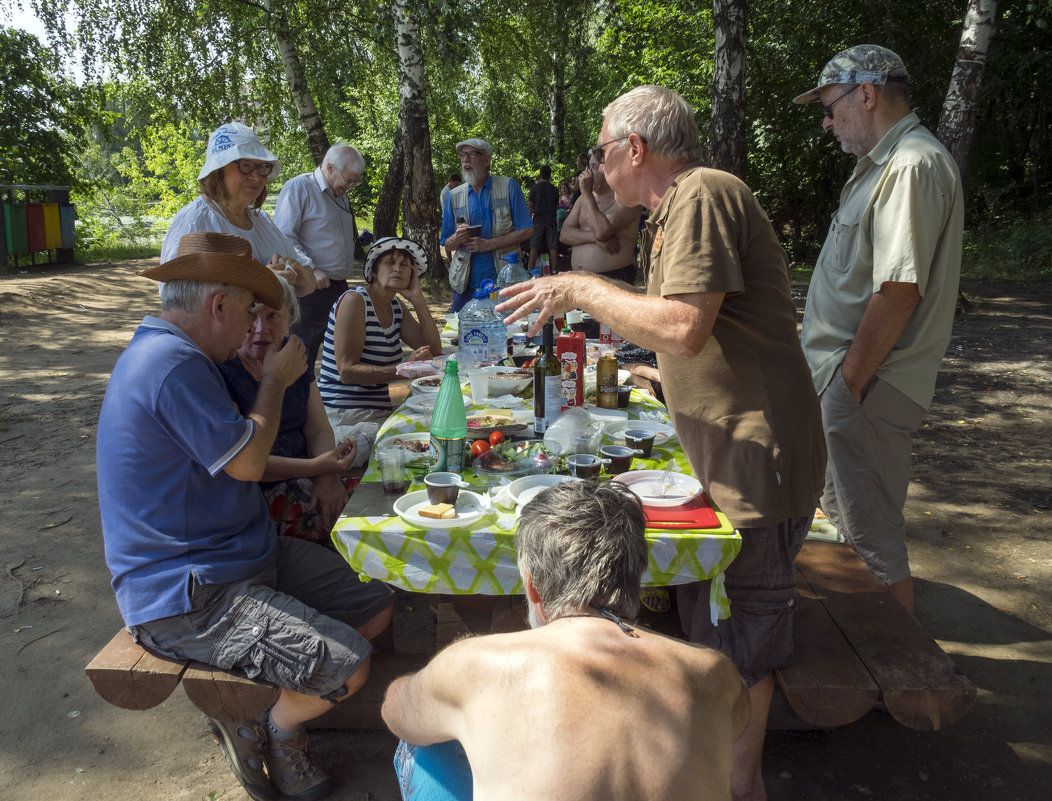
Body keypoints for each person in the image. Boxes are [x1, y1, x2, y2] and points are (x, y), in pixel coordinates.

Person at [496, 85, 826, 801]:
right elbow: (699, 333)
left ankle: (739, 785)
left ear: (634, 149)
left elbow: (684, 324)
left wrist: (580, 286)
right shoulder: (679, 208)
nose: (598, 165)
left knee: (741, 644)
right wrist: (661, 373)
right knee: (712, 624)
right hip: (731, 453)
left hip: (753, 462)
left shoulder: (702, 193)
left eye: (601, 150)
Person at [97, 231, 394, 801]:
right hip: (189, 594)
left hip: (241, 556)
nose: (252, 328)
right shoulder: (170, 364)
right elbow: (249, 462)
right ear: (219, 305)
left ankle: (272, 699)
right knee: (351, 664)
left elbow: (247, 461)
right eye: (247, 312)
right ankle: (271, 729)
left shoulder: (180, 355)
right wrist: (278, 381)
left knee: (379, 604)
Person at [382, 480, 750, 801]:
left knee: (423, 742)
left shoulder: (475, 665)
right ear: (637, 578)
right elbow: (735, 724)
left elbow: (396, 711)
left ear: (533, 588)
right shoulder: (714, 672)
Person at [793, 45, 964, 614]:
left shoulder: (911, 164)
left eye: (830, 105)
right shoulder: (886, 166)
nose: (826, 120)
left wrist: (847, 384)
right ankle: (877, 667)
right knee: (848, 531)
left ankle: (905, 683)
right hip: (852, 383)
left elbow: (897, 294)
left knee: (869, 542)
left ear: (865, 94)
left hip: (866, 385)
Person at [219, 276, 357, 545]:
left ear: (291, 316)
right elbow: (244, 462)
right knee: (354, 529)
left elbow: (317, 426)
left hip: (312, 473)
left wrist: (328, 476)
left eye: (273, 316)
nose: (260, 329)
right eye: (251, 316)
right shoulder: (224, 367)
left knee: (382, 495)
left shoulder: (295, 351)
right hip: (258, 495)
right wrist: (317, 468)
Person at [161, 122, 316, 298]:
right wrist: (260, 280)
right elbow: (177, 300)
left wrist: (298, 272)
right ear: (218, 170)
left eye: (262, 167)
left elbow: (309, 282)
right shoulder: (193, 222)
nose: (256, 176)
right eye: (246, 165)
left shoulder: (262, 220)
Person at [318, 236, 442, 448]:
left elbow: (434, 349)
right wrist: (404, 369)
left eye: (404, 265)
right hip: (343, 415)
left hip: (373, 414)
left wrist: (417, 299)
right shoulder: (355, 301)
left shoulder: (395, 306)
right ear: (373, 271)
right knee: (421, 442)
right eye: (389, 262)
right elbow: (347, 371)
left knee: (435, 429)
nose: (398, 269)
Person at [274, 144, 365, 364]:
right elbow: (283, 237)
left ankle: (326, 399)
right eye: (348, 181)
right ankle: (294, 398)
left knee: (341, 355)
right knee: (301, 356)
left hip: (338, 287)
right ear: (330, 168)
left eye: (355, 182)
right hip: (309, 291)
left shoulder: (339, 192)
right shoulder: (299, 188)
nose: (351, 187)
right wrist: (311, 269)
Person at [440, 138, 533, 311]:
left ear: (487, 160)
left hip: (504, 280)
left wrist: (490, 244)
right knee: (460, 332)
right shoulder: (453, 196)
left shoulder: (508, 187)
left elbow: (527, 230)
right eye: (462, 155)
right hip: (465, 284)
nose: (465, 159)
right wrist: (457, 237)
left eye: (471, 154)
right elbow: (447, 243)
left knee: (507, 331)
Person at [559, 149, 645, 285]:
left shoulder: (626, 199)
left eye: (593, 167)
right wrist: (595, 239)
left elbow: (602, 232)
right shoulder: (583, 199)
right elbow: (564, 234)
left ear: (610, 168)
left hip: (613, 279)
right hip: (580, 280)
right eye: (589, 166)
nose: (586, 173)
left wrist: (586, 192)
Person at [527, 164, 560, 273]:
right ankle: (554, 270)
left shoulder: (534, 188)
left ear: (540, 174)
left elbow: (530, 208)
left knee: (534, 246)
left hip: (538, 220)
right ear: (550, 175)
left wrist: (528, 221)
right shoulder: (554, 189)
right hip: (551, 219)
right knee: (553, 246)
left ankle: (530, 271)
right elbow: (556, 207)